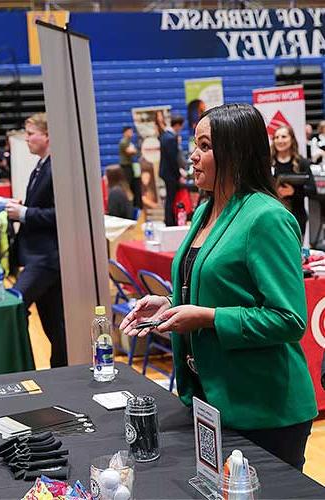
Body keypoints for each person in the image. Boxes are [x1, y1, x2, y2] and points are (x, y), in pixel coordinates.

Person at [121, 103, 317, 471]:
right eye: (195, 144)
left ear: (236, 153)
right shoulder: (205, 211)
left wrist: (207, 318)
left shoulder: (267, 218)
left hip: (264, 409)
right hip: (209, 400)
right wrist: (169, 303)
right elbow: (217, 286)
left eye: (205, 146)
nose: (193, 156)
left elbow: (289, 319)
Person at [6, 113, 66, 368]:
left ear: (48, 136)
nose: (27, 139)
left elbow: (60, 214)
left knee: (15, 305)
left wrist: (25, 213)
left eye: (31, 134)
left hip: (46, 257)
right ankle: (60, 372)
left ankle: (22, 366)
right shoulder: (41, 166)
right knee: (54, 324)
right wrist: (25, 207)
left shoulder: (55, 168)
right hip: (38, 255)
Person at [271, 125, 315, 237]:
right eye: (276, 137)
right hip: (272, 218)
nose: (280, 140)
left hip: (296, 218)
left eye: (284, 136)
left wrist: (293, 192)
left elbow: (312, 190)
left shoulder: (302, 163)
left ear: (292, 139)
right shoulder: (267, 163)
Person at [159, 115, 185, 226]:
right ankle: (170, 221)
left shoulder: (165, 136)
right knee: (171, 198)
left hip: (166, 172)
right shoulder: (170, 138)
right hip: (170, 173)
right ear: (178, 125)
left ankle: (169, 219)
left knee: (169, 197)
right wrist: (178, 174)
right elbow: (173, 159)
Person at [118, 126, 141, 208]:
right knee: (128, 185)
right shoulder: (124, 142)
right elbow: (130, 151)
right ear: (125, 132)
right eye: (129, 132)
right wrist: (135, 150)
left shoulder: (129, 142)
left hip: (130, 165)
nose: (131, 133)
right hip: (125, 166)